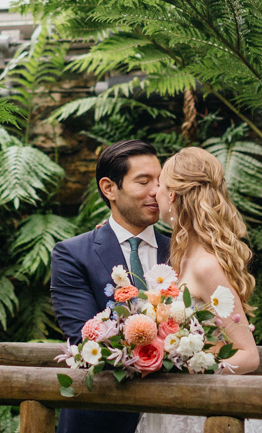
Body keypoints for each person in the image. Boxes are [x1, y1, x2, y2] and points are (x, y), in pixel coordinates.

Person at [135, 146, 262, 433]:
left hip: (203, 411)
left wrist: (199, 370)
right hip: (171, 406)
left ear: (171, 195)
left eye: (160, 185)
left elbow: (248, 354)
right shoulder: (182, 256)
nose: (154, 193)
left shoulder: (206, 265)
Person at [51, 140, 170, 433]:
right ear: (109, 188)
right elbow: (85, 339)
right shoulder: (73, 254)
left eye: (161, 181)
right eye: (143, 182)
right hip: (100, 417)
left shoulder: (183, 250)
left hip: (173, 412)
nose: (156, 191)